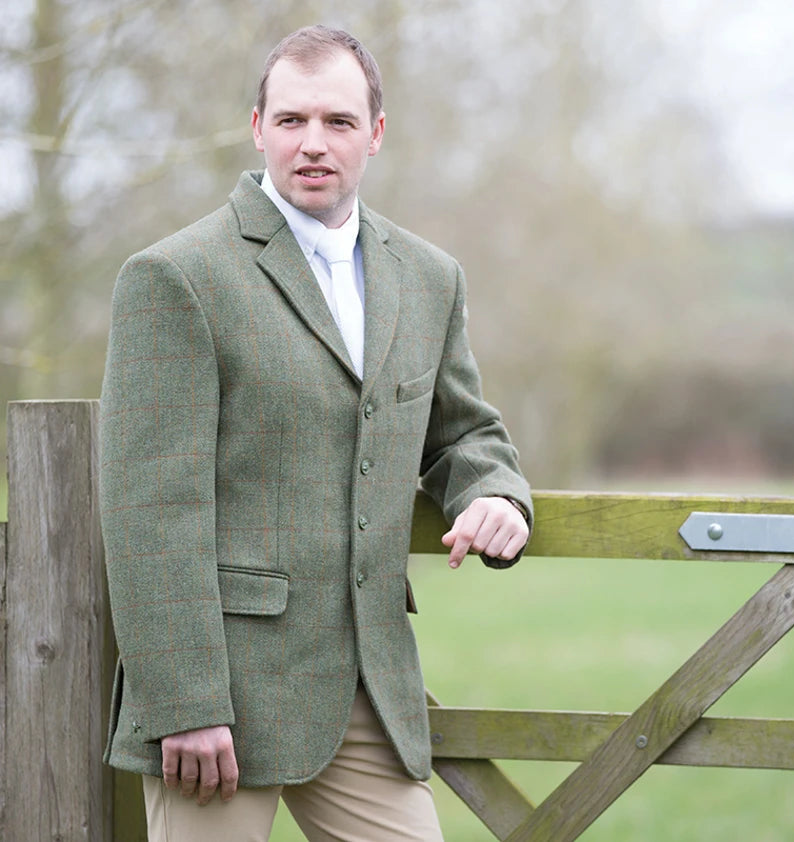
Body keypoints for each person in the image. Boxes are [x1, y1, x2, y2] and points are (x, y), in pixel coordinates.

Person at [99, 24, 532, 842]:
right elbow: (149, 511)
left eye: (338, 121)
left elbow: (461, 432)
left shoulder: (429, 277)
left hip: (369, 688)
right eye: (291, 120)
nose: (313, 143)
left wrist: (495, 492)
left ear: (376, 132)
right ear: (257, 127)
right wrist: (185, 703)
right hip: (220, 705)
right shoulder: (177, 277)